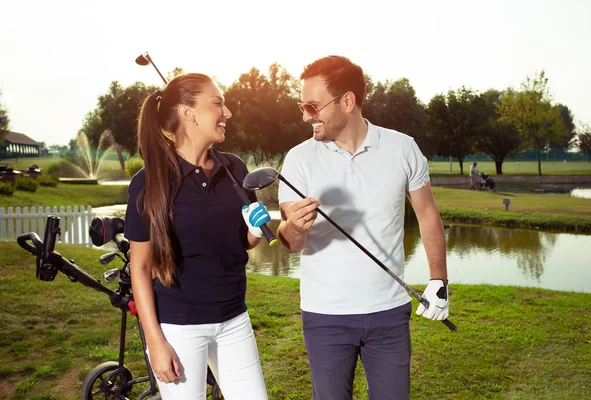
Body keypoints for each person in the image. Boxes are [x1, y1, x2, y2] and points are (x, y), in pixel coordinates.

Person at [277, 56, 449, 400]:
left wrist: (438, 279)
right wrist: (295, 226)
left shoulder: (403, 148)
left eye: (312, 106)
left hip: (388, 314)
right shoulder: (298, 159)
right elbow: (290, 243)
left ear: (347, 101)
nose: (305, 116)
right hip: (325, 316)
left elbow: (428, 214)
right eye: (302, 106)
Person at [124, 73, 270, 400]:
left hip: (234, 318)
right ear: (189, 113)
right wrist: (155, 342)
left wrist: (253, 230)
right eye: (218, 104)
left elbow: (244, 242)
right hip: (179, 327)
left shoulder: (236, 169)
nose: (227, 113)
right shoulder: (149, 182)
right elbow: (141, 268)